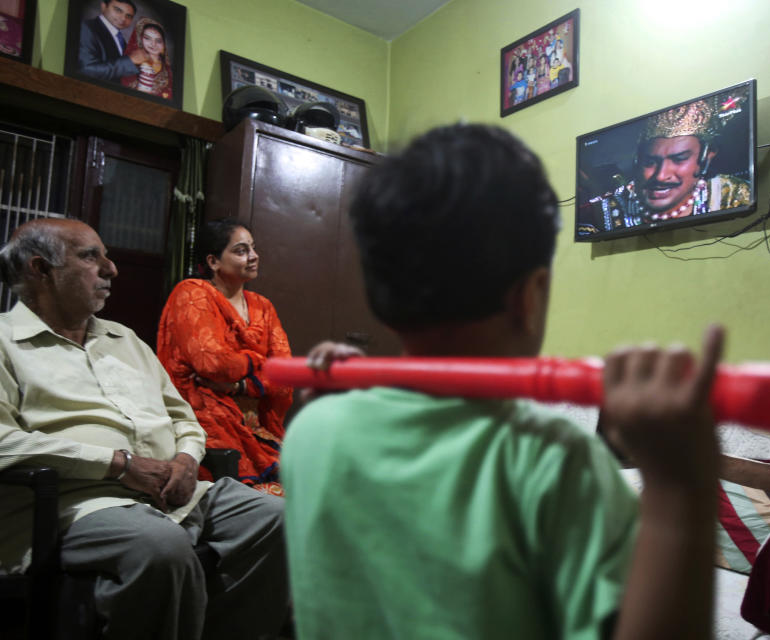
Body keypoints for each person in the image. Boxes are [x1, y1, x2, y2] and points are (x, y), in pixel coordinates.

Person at [282, 123, 723, 639]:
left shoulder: (309, 432)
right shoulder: (558, 465)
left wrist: (333, 412)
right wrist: (678, 491)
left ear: (380, 294)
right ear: (531, 295)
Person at [0, 218, 289, 639]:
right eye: (90, 257)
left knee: (279, 518)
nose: (111, 268)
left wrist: (188, 458)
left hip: (172, 491)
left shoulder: (125, 340)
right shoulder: (6, 341)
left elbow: (182, 416)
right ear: (41, 270)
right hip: (78, 502)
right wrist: (117, 465)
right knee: (161, 549)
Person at [156, 218, 292, 496]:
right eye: (241, 250)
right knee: (283, 500)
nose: (253, 257)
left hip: (258, 427)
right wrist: (257, 361)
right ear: (214, 261)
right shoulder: (192, 293)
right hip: (209, 423)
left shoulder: (262, 307)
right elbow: (212, 362)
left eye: (252, 248)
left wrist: (239, 385)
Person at [631, 97, 751, 223]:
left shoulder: (734, 195)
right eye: (650, 162)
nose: (661, 176)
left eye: (679, 159)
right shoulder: (612, 206)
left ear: (707, 155)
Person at [77, 0, 149, 82]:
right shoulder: (87, 28)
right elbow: (86, 70)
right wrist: (130, 60)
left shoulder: (119, 38)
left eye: (128, 16)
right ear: (104, 7)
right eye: (118, 10)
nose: (123, 18)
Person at [121, 17, 173, 101]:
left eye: (158, 41)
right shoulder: (133, 64)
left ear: (164, 43)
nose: (153, 44)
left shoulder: (167, 71)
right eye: (147, 38)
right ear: (141, 39)